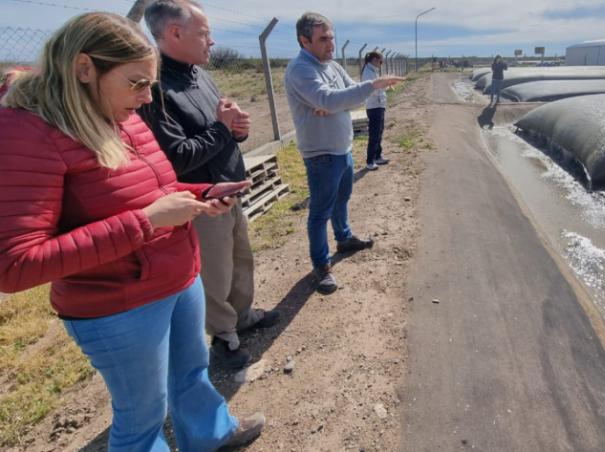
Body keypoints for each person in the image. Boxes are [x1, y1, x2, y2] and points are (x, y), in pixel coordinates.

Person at [0, 12, 263, 451]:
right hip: (119, 305)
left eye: (150, 85)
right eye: (137, 84)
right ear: (85, 69)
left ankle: (211, 435)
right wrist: (146, 222)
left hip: (177, 278)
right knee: (143, 415)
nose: (146, 99)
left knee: (192, 373)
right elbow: (16, 265)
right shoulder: (29, 131)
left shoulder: (120, 113)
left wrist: (201, 191)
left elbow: (155, 188)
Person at [139, 0, 279, 371]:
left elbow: (221, 132)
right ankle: (224, 337)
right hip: (202, 200)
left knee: (239, 259)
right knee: (214, 272)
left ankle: (243, 316)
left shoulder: (199, 75)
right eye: (204, 33)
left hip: (231, 188)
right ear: (174, 33)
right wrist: (222, 128)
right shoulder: (156, 89)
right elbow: (179, 158)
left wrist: (238, 130)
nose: (211, 41)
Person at [283, 12, 403, 294]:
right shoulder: (301, 69)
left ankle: (344, 238)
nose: (331, 44)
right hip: (321, 153)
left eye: (332, 37)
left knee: (342, 199)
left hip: (342, 147)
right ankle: (321, 266)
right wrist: (367, 87)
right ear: (304, 40)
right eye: (323, 39)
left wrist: (338, 103)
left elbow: (347, 95)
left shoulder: (332, 66)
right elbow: (334, 98)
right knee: (320, 211)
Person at [360, 51, 388, 171]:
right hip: (374, 106)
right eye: (380, 61)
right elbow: (372, 88)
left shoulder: (372, 71)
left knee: (379, 132)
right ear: (374, 60)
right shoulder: (367, 72)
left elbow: (378, 86)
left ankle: (377, 156)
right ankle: (370, 161)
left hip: (379, 105)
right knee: (374, 134)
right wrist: (385, 84)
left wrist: (384, 84)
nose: (381, 64)